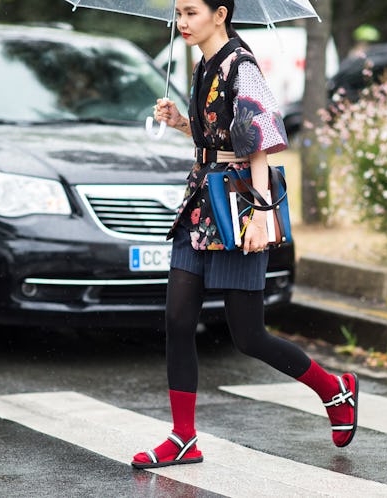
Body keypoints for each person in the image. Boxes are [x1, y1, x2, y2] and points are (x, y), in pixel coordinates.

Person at [131, 0, 359, 469]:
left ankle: (334, 390)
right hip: (201, 202)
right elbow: (215, 136)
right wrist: (180, 123)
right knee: (177, 319)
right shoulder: (202, 65)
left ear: (220, 14)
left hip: (237, 205)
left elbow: (260, 138)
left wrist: (259, 213)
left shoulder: (242, 64)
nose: (182, 23)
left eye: (191, 12)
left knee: (248, 335)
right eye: (178, 13)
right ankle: (183, 437)